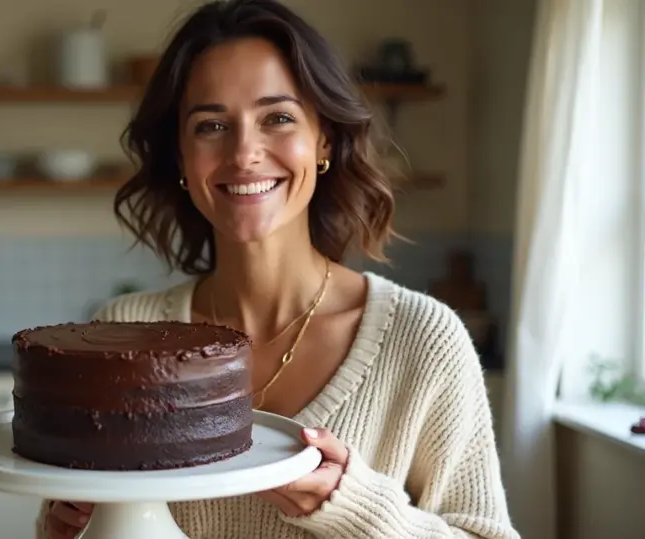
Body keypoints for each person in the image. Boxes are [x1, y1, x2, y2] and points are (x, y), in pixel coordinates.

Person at [39, 0, 518, 537]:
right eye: (211, 125)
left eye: (278, 118)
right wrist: (67, 525)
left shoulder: (424, 340)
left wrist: (353, 504)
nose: (244, 152)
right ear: (179, 156)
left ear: (324, 141)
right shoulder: (123, 333)